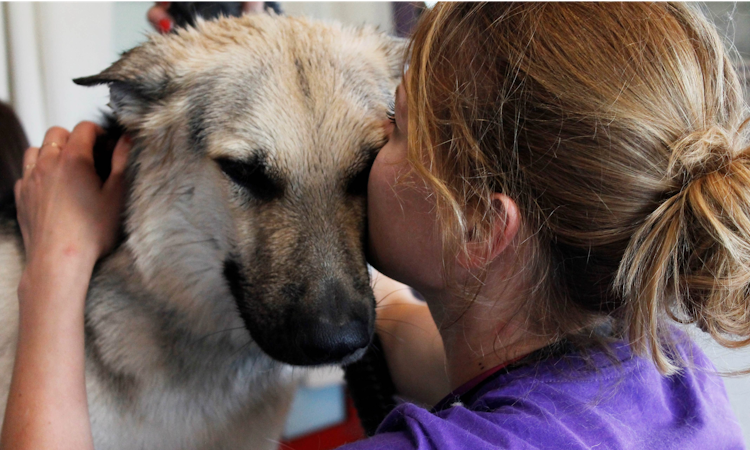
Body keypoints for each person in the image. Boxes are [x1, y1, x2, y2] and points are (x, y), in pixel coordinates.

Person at [2, 1, 749, 449]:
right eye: (255, 175)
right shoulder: (665, 363)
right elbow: (398, 330)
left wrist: (60, 262)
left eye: (378, 145)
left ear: (482, 227)